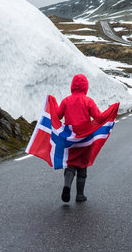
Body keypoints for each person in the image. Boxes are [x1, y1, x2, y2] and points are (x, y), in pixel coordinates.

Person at [57, 74, 103, 203]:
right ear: (85, 86)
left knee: (70, 164)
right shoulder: (88, 101)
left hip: (70, 138)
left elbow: (58, 115)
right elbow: (98, 117)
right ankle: (80, 195)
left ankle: (67, 185)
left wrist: (51, 105)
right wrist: (109, 113)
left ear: (72, 86)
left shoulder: (66, 100)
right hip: (85, 139)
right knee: (82, 165)